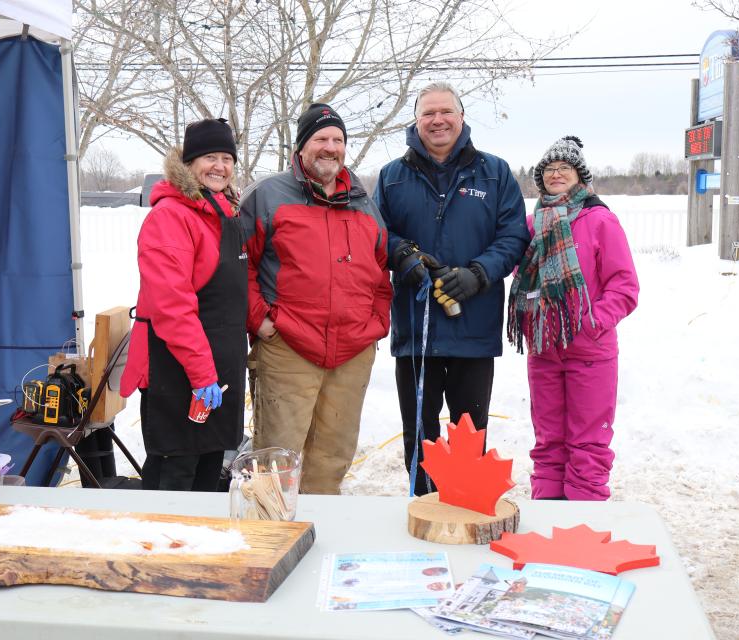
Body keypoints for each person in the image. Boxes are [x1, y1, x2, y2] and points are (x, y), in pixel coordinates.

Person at [374, 82, 529, 496]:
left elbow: (513, 236)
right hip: (416, 332)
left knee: (468, 435)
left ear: (461, 118)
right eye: (428, 113)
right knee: (420, 435)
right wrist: (401, 254)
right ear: (416, 120)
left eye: (445, 112)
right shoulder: (392, 177)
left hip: (472, 331)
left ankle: (466, 509)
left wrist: (478, 273)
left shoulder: (495, 173)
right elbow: (374, 233)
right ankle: (423, 509)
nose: (437, 120)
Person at [240, 103, 391, 495]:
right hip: (289, 346)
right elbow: (242, 266)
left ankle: (320, 537)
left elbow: (380, 270)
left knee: (333, 457)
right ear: (302, 146)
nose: (330, 147)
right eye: (321, 138)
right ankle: (271, 540)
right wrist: (260, 320)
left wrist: (377, 322)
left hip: (352, 351)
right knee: (276, 459)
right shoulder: (268, 195)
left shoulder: (362, 202)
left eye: (338, 140)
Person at [507, 135, 639, 501]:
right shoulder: (534, 225)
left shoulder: (600, 221)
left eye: (564, 168)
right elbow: (520, 273)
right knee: (548, 441)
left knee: (588, 443)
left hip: (590, 352)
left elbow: (624, 287)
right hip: (544, 348)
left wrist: (590, 322)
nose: (556, 174)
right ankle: (547, 515)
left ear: (581, 177)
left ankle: (583, 524)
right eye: (549, 169)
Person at [120, 118, 247, 492]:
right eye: (210, 157)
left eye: (227, 158)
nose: (220, 167)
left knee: (210, 469)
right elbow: (172, 308)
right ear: (189, 164)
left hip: (219, 367)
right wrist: (202, 373)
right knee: (175, 477)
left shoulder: (225, 212)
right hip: (178, 370)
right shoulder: (171, 217)